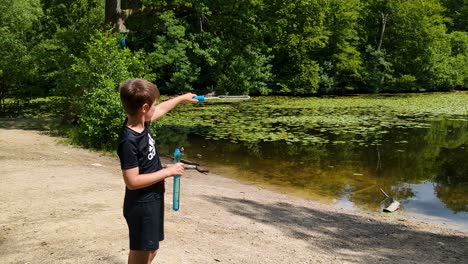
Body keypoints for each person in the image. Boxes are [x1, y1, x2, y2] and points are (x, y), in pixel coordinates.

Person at [117, 79, 197, 264]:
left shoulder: (142, 122)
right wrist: (168, 171)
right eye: (154, 104)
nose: (157, 107)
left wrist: (183, 98)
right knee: (142, 253)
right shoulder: (128, 141)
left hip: (152, 199)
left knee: (151, 249)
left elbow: (160, 110)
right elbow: (132, 181)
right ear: (144, 108)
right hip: (141, 204)